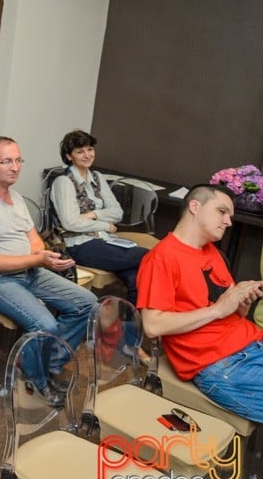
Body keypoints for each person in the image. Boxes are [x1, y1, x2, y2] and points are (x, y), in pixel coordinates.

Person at [0, 136, 96, 406]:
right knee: (45, 324)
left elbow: (35, 241)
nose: (15, 167)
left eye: (18, 160)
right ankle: (36, 378)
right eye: (7, 161)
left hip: (27, 271)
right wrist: (36, 259)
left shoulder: (15, 198)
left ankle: (44, 361)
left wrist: (43, 257)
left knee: (87, 303)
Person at [137, 184, 263, 422]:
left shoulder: (211, 252)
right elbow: (153, 326)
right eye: (221, 211)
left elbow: (230, 314)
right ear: (195, 206)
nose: (228, 222)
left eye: (230, 215)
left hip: (251, 346)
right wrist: (217, 310)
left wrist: (242, 301)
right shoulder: (162, 257)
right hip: (222, 364)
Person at [50, 130, 148, 301]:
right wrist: (105, 225)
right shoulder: (63, 182)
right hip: (78, 245)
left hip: (105, 240)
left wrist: (93, 214)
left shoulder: (97, 177)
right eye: (80, 152)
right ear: (69, 156)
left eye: (90, 149)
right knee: (149, 257)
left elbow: (117, 213)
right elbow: (70, 223)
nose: (87, 155)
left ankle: (130, 317)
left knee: (135, 276)